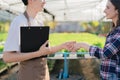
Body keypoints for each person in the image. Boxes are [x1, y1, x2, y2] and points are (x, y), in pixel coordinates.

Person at [3, 0, 75, 80]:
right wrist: (38, 53)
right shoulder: (19, 22)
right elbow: (7, 57)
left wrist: (63, 46)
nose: (44, 2)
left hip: (43, 75)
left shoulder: (39, 22)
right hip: (29, 76)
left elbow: (46, 50)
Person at [71, 0, 120, 80]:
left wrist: (82, 44)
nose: (104, 10)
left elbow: (105, 53)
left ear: (117, 10)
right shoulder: (114, 30)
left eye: (108, 7)